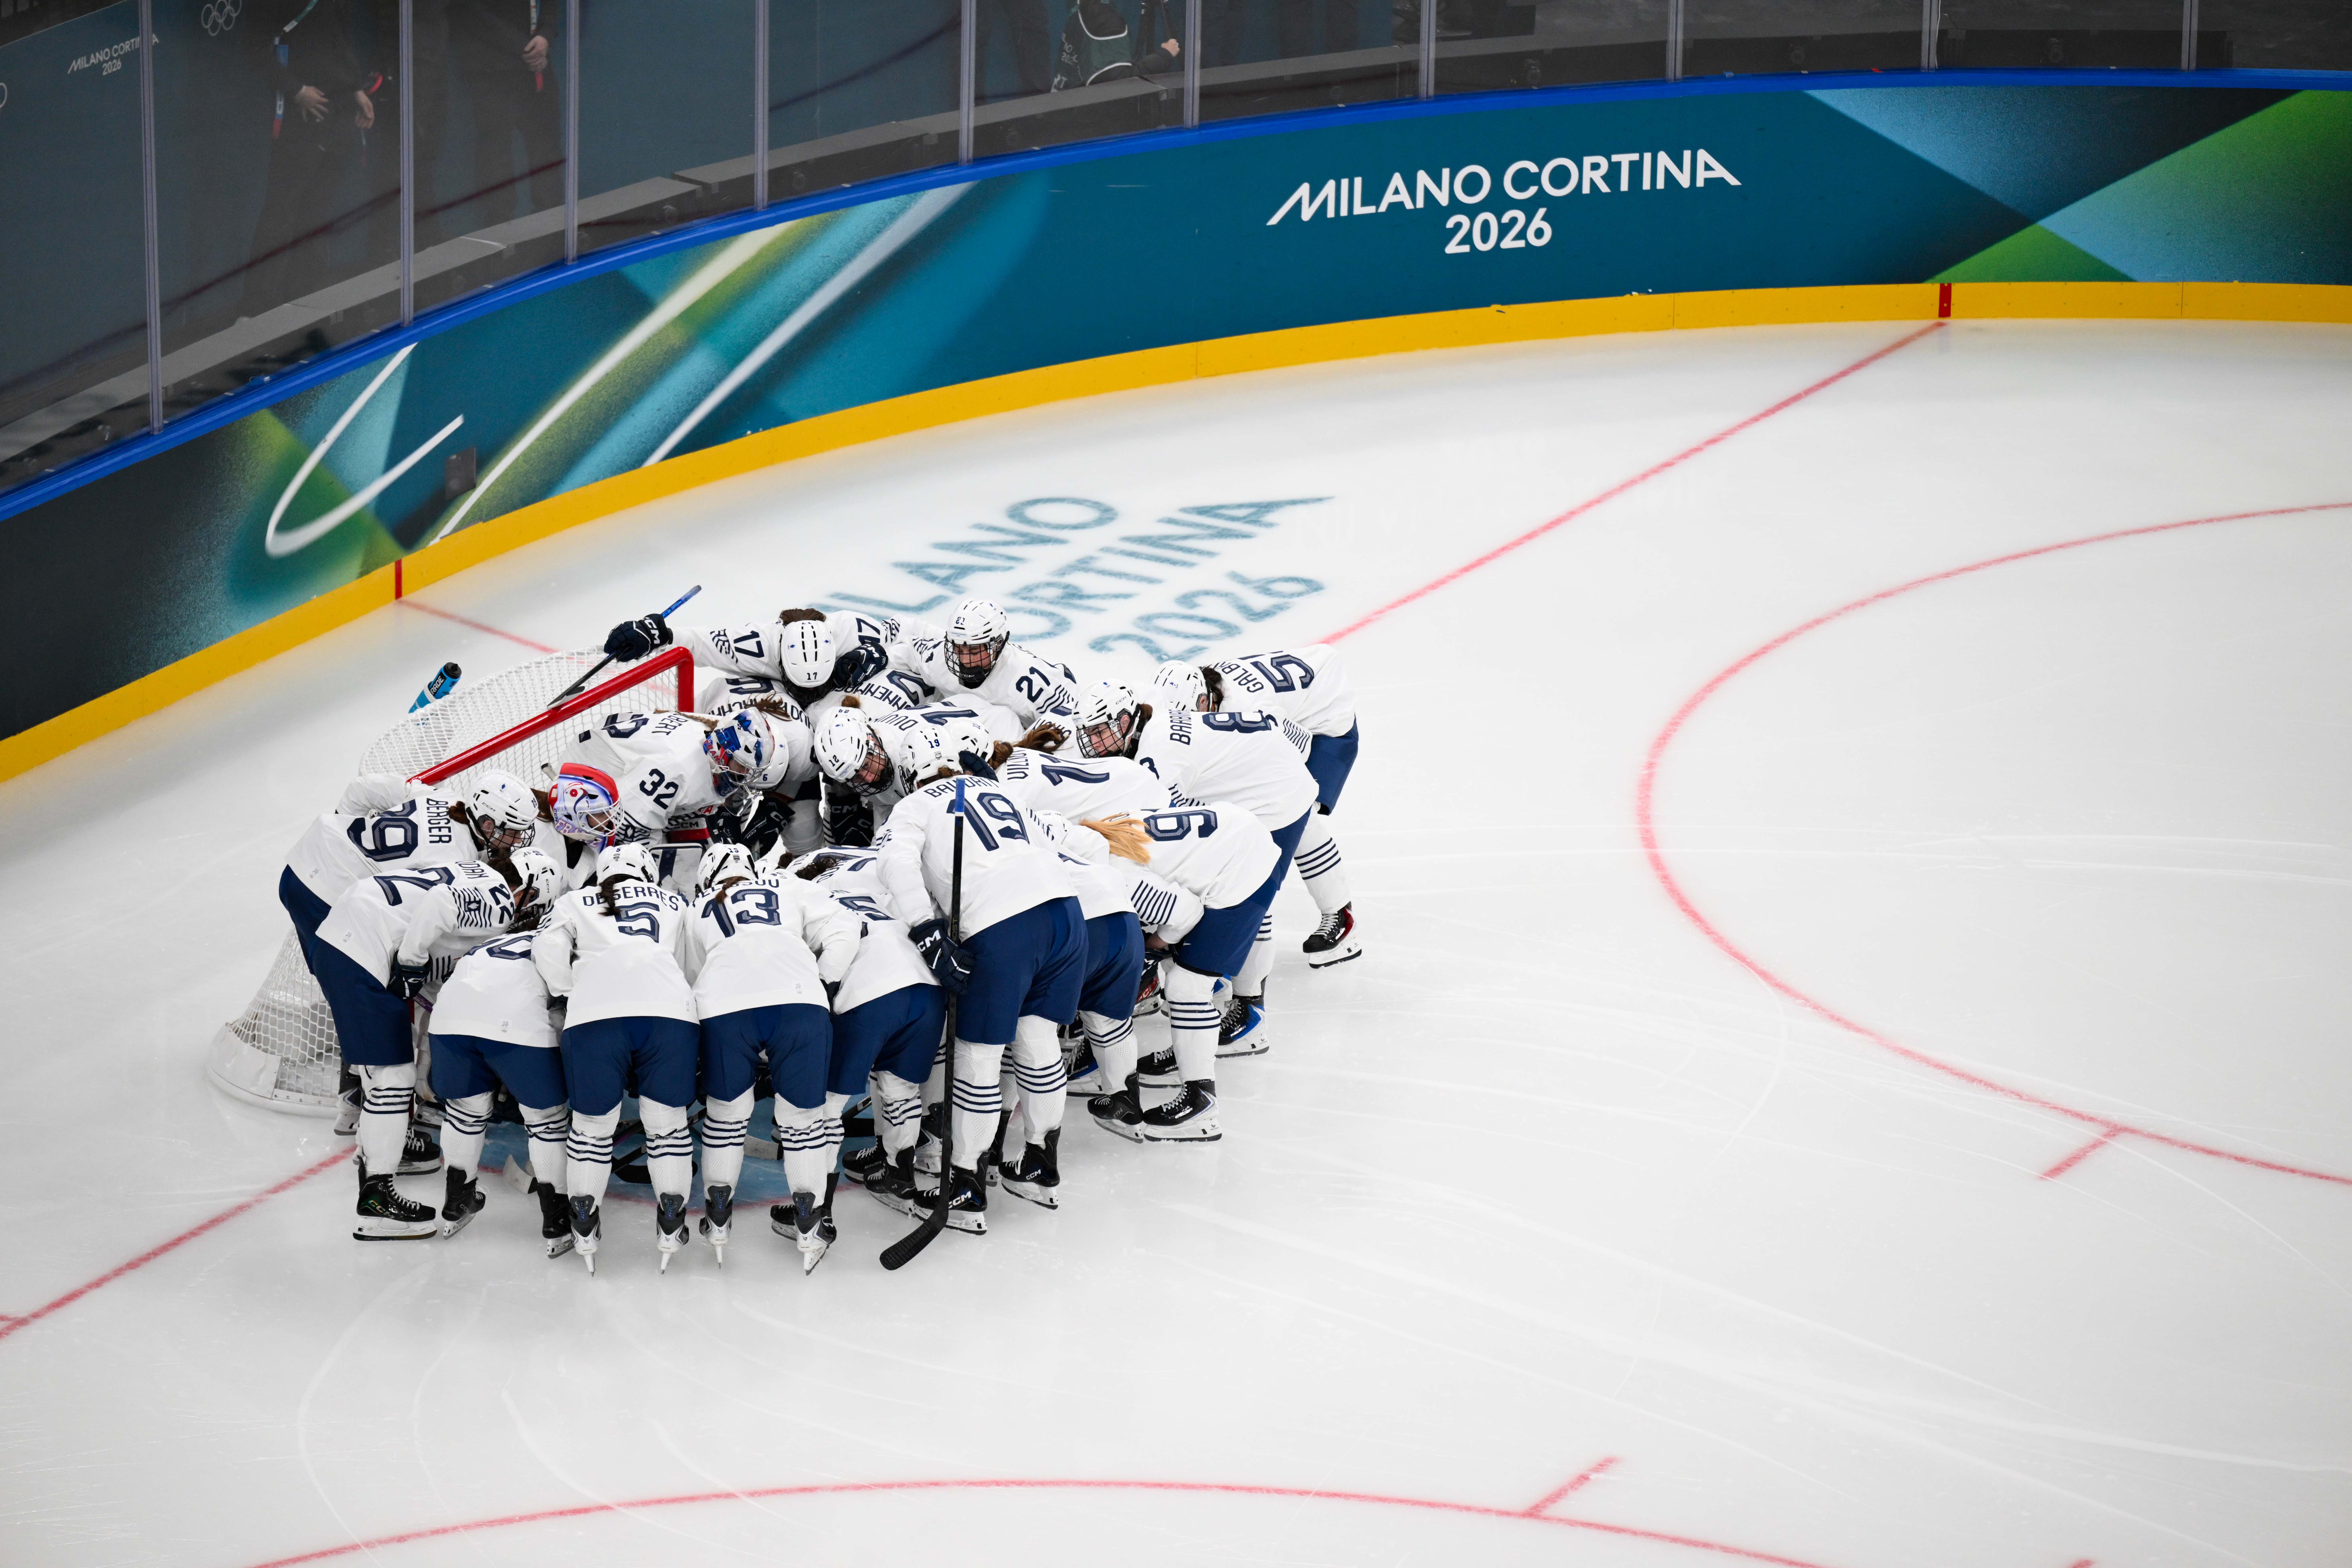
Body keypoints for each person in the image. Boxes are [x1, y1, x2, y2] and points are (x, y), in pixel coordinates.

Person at [981, 738, 1279, 1142]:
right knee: (1180, 969)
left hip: (1241, 867)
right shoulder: (1102, 833)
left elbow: (1186, 912)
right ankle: (1190, 1056)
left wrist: (1158, 943)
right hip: (1237, 840)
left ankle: (1202, 1103)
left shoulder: (1115, 872)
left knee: (1187, 986)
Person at [875, 734, 1085, 1231]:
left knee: (979, 1056)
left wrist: (926, 930)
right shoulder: (1000, 790)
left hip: (1001, 924)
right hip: (1067, 914)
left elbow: (893, 864)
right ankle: (1040, 1163)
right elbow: (1053, 845)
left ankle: (966, 1182)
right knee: (1039, 1040)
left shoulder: (914, 804)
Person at [311, 856, 522, 1238]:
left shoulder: (468, 869)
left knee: (388, 1071)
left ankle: (376, 1153)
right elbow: (441, 904)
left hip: (346, 932)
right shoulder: (501, 900)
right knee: (393, 1079)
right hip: (363, 947)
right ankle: (377, 1203)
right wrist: (410, 962)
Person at [679, 844, 861, 1272]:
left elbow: (689, 974)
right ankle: (809, 1219)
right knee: (803, 1121)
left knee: (726, 1115)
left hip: (724, 1006)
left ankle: (718, 1215)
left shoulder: (697, 907)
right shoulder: (787, 885)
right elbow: (846, 927)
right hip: (798, 1000)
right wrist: (824, 979)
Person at [533, 842, 698, 1273]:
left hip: (596, 1014)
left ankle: (584, 1223)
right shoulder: (674, 902)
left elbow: (546, 948)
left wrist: (571, 991)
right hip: (668, 1012)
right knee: (668, 1126)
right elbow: (689, 965)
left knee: (590, 1129)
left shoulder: (575, 899)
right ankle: (671, 1221)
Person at [1162, 648, 1362, 966]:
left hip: (1324, 728)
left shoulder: (1250, 709)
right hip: (1298, 710)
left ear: (1204, 700)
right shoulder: (1202, 691)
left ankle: (1341, 917)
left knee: (1299, 816)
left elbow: (1298, 750)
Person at [786, 848, 948, 1220]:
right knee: (901, 1088)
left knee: (827, 1105)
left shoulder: (797, 897)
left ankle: (816, 1209)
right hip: (925, 987)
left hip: (866, 993)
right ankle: (899, 1175)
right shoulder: (867, 889)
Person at [425, 848, 571, 1253]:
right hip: (515, 1023)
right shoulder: (560, 938)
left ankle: (457, 1201)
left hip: (449, 1020)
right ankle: (557, 1219)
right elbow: (565, 1004)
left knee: (465, 1113)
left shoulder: (489, 941)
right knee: (547, 1120)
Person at [241, 0, 378, 317]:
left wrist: (355, 88)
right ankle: (257, 308)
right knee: (282, 210)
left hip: (338, 110)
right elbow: (254, 48)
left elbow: (340, 37)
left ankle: (307, 302)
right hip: (298, 116)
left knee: (319, 210)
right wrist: (296, 91)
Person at [445, 0, 563, 259]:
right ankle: (499, 243)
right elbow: (467, 11)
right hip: (490, 66)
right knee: (496, 153)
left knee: (547, 148)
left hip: (536, 65)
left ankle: (552, 233)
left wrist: (546, 35)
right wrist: (525, 48)